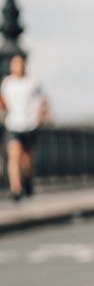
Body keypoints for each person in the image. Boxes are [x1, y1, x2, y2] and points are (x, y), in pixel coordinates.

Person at [0, 54, 49, 200]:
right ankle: (16, 188)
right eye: (15, 64)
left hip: (29, 125)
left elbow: (43, 101)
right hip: (13, 124)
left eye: (20, 64)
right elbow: (2, 101)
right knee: (14, 155)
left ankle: (27, 180)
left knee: (26, 159)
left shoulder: (32, 83)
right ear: (11, 67)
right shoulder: (7, 83)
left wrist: (40, 116)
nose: (18, 67)